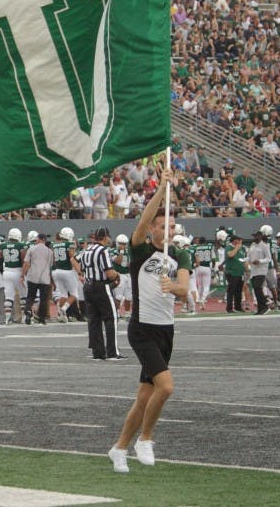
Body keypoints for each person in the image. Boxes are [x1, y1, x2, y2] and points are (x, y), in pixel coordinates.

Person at [108, 163, 191, 473]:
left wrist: (175, 286)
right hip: (142, 329)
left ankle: (118, 448)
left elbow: (184, 289)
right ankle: (145, 438)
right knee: (166, 387)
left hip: (166, 330)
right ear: (153, 229)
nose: (167, 230)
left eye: (171, 226)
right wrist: (161, 190)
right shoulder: (141, 251)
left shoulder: (179, 255)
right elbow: (141, 223)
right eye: (162, 225)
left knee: (144, 398)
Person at [81, 228, 122, 360]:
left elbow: (79, 264)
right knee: (111, 318)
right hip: (101, 286)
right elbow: (109, 273)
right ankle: (112, 352)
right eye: (109, 236)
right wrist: (117, 275)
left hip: (87, 286)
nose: (110, 239)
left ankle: (97, 352)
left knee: (94, 320)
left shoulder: (87, 249)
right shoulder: (103, 250)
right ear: (104, 237)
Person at [22, 232, 54, 325]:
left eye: (37, 239)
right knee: (44, 298)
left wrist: (22, 274)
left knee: (30, 296)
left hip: (33, 276)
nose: (36, 241)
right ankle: (42, 318)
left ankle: (28, 313)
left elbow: (26, 263)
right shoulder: (50, 251)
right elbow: (50, 265)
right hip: (44, 277)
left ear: (40, 239)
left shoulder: (31, 249)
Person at [247, 231, 271, 314]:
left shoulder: (265, 246)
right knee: (256, 289)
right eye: (254, 236)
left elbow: (268, 258)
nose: (254, 238)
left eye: (256, 236)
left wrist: (259, 261)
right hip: (253, 270)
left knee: (258, 287)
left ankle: (265, 305)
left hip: (261, 270)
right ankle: (260, 309)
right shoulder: (252, 245)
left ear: (260, 236)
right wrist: (244, 260)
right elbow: (249, 257)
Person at [224, 235, 247, 313]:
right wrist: (236, 248)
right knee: (231, 290)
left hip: (240, 272)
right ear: (235, 241)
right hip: (231, 272)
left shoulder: (242, 249)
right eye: (240, 240)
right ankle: (229, 308)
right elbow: (230, 255)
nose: (241, 242)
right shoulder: (229, 247)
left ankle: (238, 307)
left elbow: (244, 260)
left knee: (239, 290)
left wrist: (247, 270)